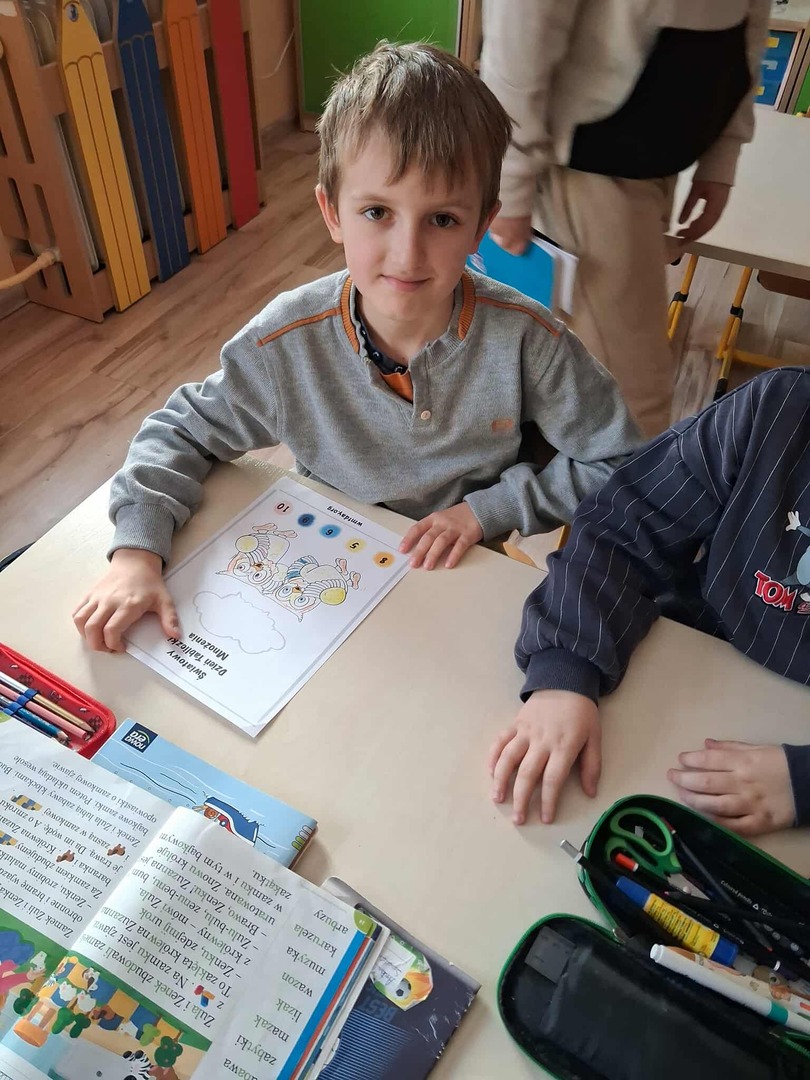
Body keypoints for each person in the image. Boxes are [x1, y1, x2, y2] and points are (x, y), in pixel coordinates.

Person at [72, 42, 641, 654]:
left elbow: (622, 462)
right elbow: (181, 430)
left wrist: (489, 510)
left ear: (482, 225)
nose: (407, 254)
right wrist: (136, 554)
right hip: (321, 574)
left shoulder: (531, 341)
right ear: (332, 212)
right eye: (376, 212)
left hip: (456, 576)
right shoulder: (286, 341)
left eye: (443, 220)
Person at [490, 367, 810, 837]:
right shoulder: (780, 407)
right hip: (694, 662)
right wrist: (566, 668)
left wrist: (802, 781)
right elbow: (627, 521)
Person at [480, 1, 770, 438]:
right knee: (632, 401)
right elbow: (519, 27)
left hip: (649, 157)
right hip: (589, 171)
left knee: (597, 381)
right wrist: (510, 174)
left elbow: (751, 23)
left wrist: (723, 152)